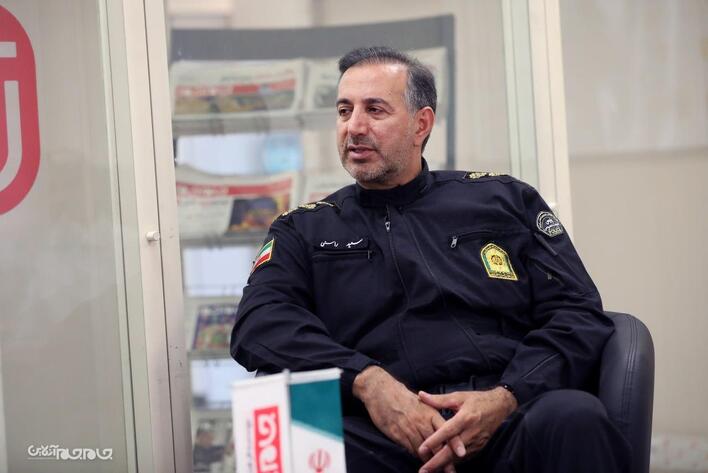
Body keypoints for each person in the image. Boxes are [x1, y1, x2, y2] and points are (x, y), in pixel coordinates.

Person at [231, 46, 630, 473]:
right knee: (295, 439)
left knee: (574, 419)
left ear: (421, 124)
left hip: (504, 420)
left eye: (375, 110)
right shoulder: (303, 229)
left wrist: (506, 396)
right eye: (345, 111)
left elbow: (577, 313)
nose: (354, 127)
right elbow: (259, 324)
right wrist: (367, 381)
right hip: (378, 433)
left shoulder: (503, 201)